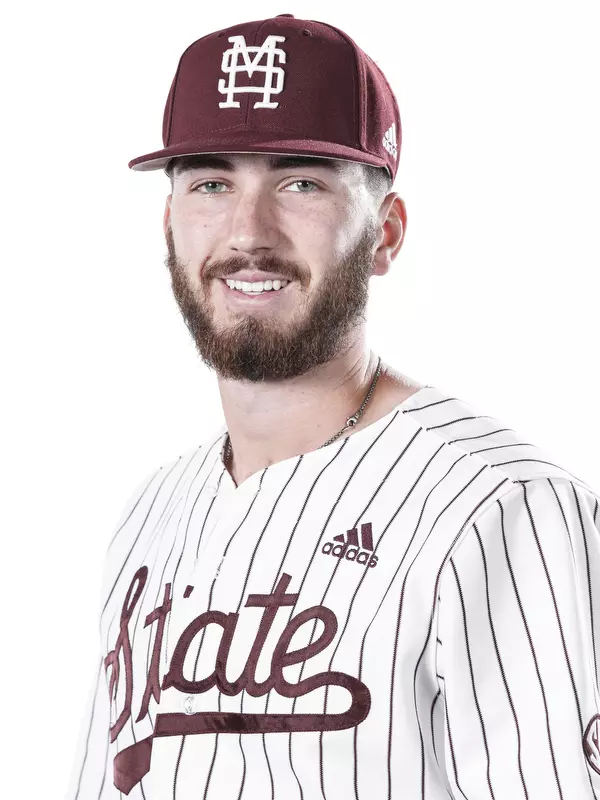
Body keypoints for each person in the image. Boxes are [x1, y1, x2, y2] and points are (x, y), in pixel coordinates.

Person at [66, 13, 600, 800]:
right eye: (212, 183)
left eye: (301, 182)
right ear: (171, 224)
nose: (248, 232)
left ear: (385, 235)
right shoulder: (152, 513)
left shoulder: (503, 506)